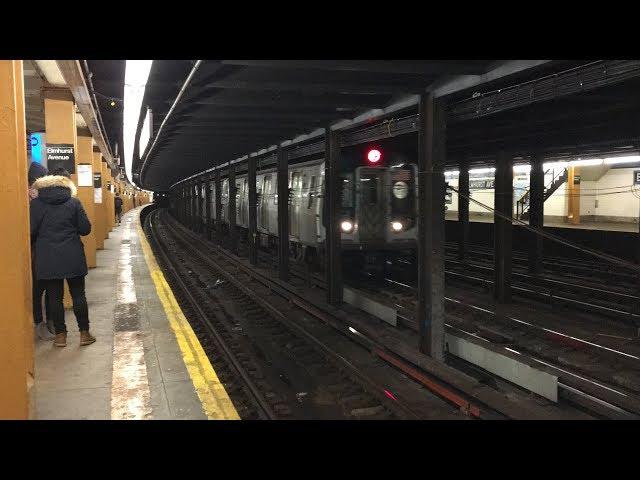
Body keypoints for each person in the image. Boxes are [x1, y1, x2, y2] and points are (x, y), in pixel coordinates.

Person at [30, 169, 96, 347]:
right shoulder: (74, 203)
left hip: (47, 257)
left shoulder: (36, 205)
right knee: (78, 295)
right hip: (72, 254)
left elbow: (31, 232)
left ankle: (60, 336)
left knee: (54, 298)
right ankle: (84, 333)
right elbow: (85, 229)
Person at [28, 161, 55, 340]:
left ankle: (44, 321)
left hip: (39, 250)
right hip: (38, 250)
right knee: (42, 288)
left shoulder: (39, 202)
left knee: (41, 288)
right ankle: (44, 321)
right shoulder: (38, 202)